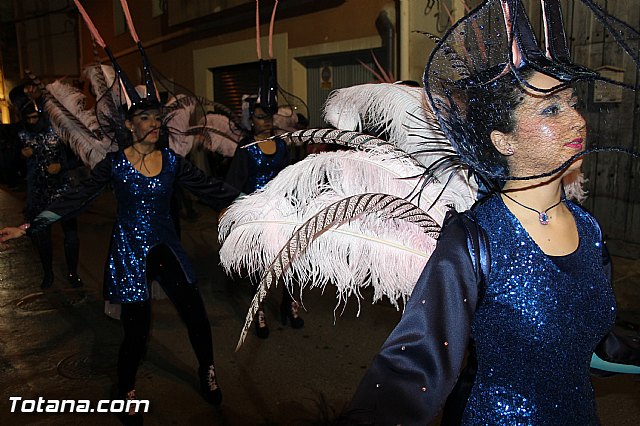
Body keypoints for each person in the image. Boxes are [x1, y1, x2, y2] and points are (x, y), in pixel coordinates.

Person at [336, 0, 640, 423]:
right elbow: (413, 369)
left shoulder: (588, 229)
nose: (576, 121)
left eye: (572, 102)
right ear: (503, 140)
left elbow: (596, 344)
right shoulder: (475, 240)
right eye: (551, 108)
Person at [225, 95, 304, 339]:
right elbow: (233, 183)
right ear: (251, 120)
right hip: (257, 212)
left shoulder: (281, 145)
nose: (266, 122)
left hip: (281, 209)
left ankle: (289, 304)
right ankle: (258, 310)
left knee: (291, 260)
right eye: (260, 117)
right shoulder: (246, 148)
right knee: (261, 266)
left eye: (268, 116)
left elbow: (288, 176)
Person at [9, 83, 85, 289]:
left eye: (36, 117)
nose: (33, 121)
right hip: (38, 192)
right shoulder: (22, 134)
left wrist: (61, 166)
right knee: (42, 235)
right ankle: (48, 273)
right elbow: (9, 165)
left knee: (70, 234)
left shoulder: (58, 130)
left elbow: (78, 158)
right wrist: (20, 156)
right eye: (29, 118)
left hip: (62, 189)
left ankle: (72, 273)